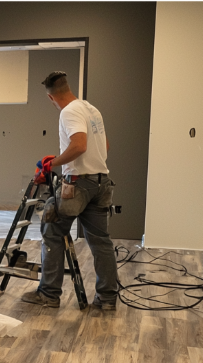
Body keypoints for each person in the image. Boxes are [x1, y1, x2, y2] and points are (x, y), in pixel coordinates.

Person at [21, 71, 119, 311]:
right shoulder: (90, 109)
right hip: (101, 182)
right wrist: (68, 159)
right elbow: (103, 146)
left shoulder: (68, 111)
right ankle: (107, 299)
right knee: (101, 242)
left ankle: (49, 294)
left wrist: (52, 164)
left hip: (78, 185)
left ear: (50, 98)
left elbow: (79, 145)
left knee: (52, 231)